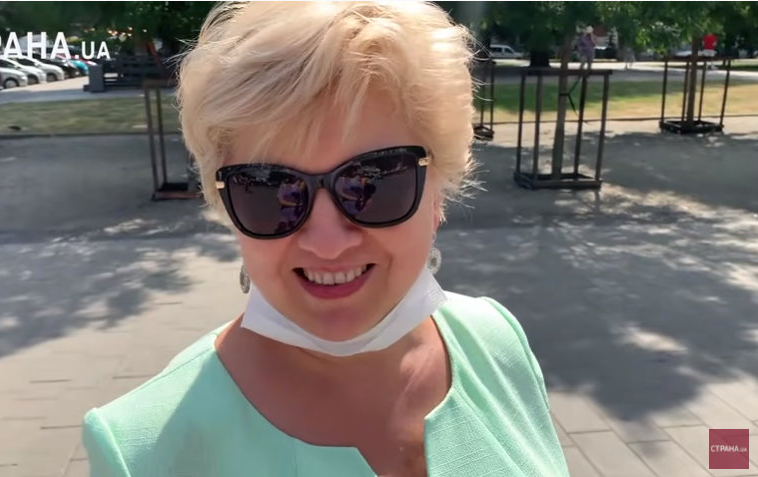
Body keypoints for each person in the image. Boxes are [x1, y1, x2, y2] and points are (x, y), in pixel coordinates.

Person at [81, 2, 571, 476]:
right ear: (226, 205)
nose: (328, 243)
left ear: (437, 191)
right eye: (269, 190)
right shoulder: (143, 451)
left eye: (373, 181)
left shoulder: (496, 340)